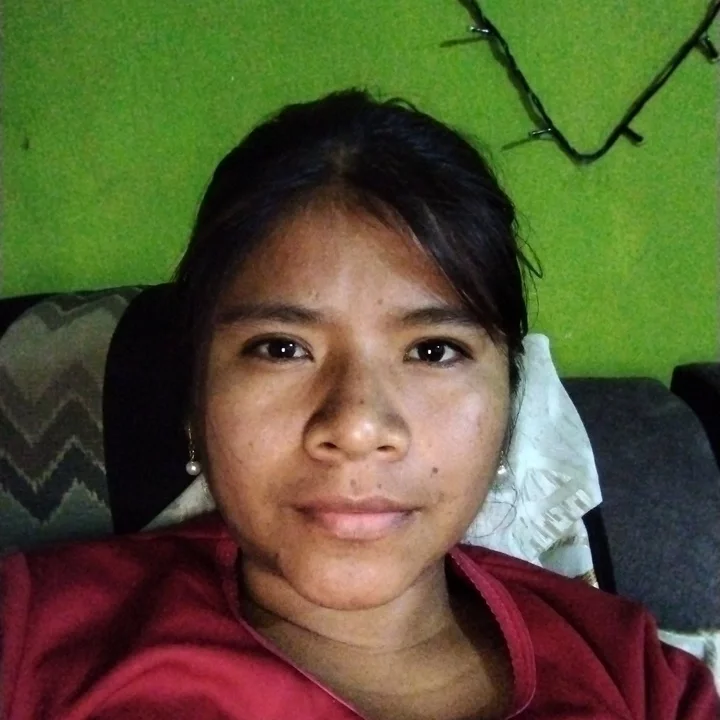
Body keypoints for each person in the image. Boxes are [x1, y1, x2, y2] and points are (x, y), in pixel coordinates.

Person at [1, 90, 717, 720]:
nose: (356, 425)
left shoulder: (639, 679)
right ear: (196, 396)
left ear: (508, 400)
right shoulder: (34, 638)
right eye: (282, 347)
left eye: (433, 350)